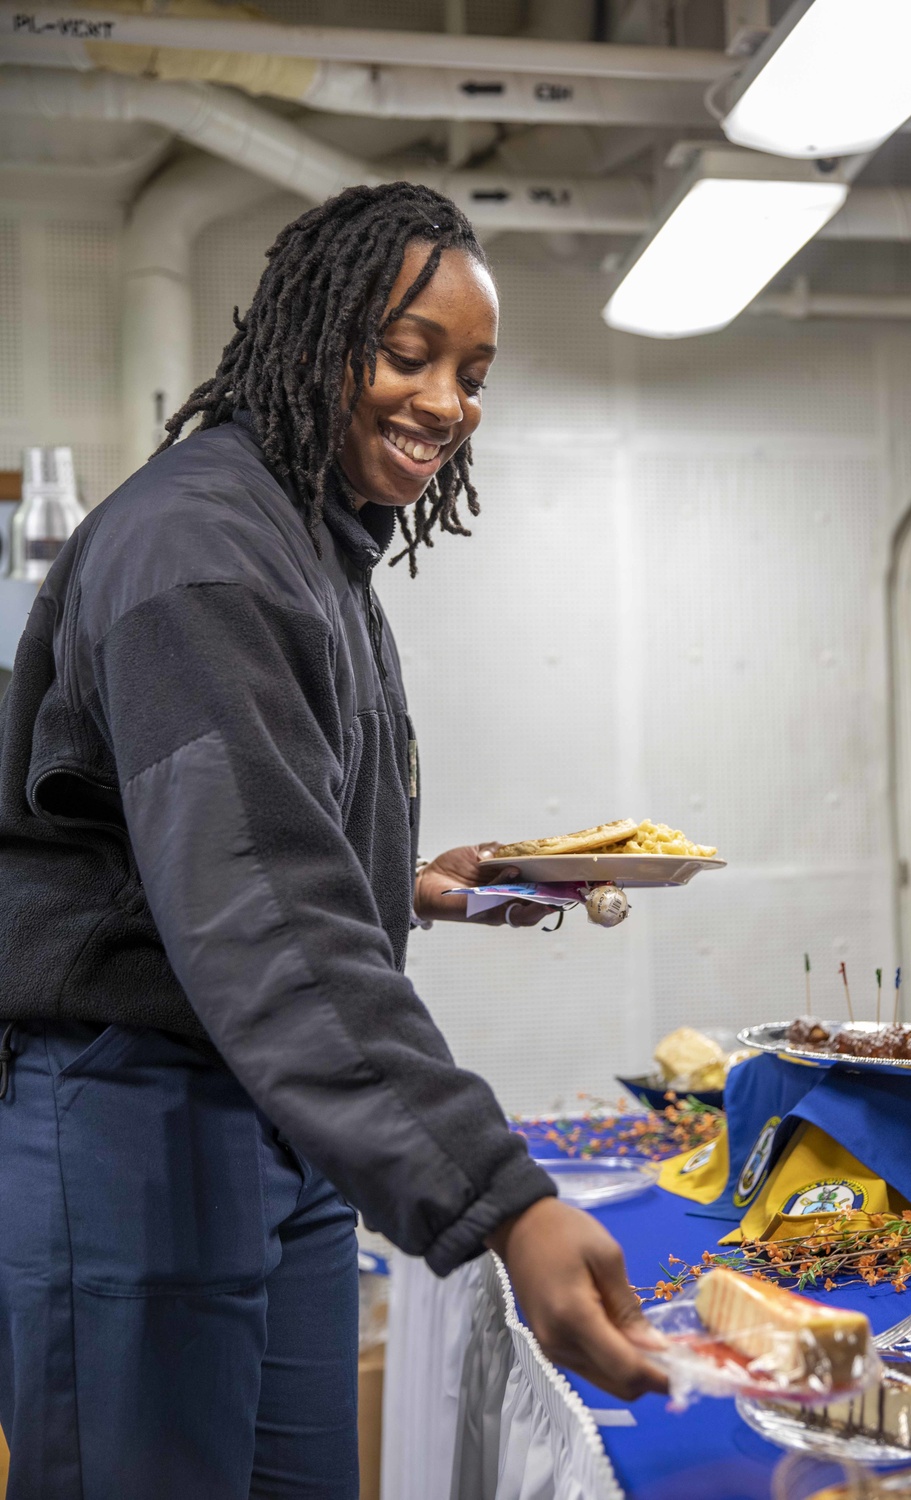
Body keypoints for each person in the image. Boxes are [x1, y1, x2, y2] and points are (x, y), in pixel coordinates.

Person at [0, 182, 668, 1499]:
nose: (446, 401)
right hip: (136, 1116)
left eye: (472, 374)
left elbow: (237, 839)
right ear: (312, 338)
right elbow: (261, 921)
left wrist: (415, 885)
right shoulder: (198, 548)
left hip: (273, 1124)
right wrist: (502, 1200)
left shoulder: (316, 551)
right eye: (406, 352)